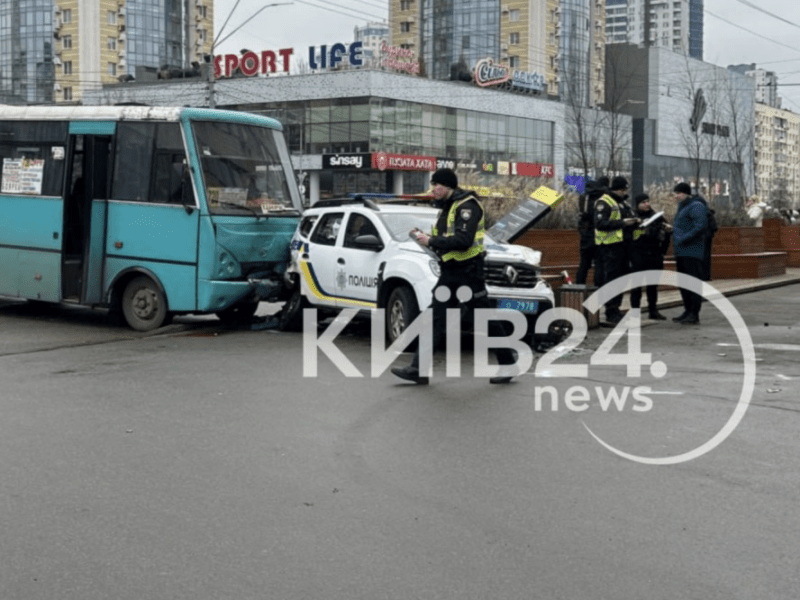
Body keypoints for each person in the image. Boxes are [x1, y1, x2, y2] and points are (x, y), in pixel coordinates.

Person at [391, 168, 518, 385]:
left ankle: (508, 363)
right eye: (433, 185)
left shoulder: (467, 206)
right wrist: (427, 238)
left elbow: (464, 240)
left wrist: (430, 241)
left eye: (437, 185)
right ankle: (418, 369)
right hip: (450, 273)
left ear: (448, 186)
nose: (434, 190)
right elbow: (448, 237)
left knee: (483, 316)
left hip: (468, 272)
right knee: (435, 317)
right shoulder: (449, 206)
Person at [593, 176, 640, 323]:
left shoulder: (622, 202)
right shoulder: (604, 202)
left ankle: (616, 308)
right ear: (617, 189)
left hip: (623, 246)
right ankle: (611, 310)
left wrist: (636, 222)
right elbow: (600, 223)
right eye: (622, 189)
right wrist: (622, 223)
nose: (624, 192)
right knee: (612, 279)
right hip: (609, 247)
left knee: (621, 279)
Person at [629, 194, 672, 320]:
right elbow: (631, 237)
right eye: (643, 202)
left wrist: (662, 251)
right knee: (636, 286)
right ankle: (635, 313)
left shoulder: (657, 217)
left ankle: (653, 310)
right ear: (637, 204)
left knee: (652, 286)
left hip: (654, 255)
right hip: (638, 256)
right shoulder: (633, 218)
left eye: (647, 201)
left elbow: (666, 233)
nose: (646, 204)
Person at [671, 182, 708, 325]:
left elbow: (700, 226)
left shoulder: (696, 206)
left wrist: (683, 238)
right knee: (683, 283)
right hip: (681, 250)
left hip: (692, 251)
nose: (676, 196)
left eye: (678, 193)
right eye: (675, 193)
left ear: (686, 193)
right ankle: (687, 311)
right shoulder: (683, 207)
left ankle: (694, 313)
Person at [575, 176, 608, 288]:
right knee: (599, 264)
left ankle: (578, 289)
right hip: (598, 233)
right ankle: (598, 290)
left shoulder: (584, 196)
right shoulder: (603, 197)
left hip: (585, 233)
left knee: (584, 264)